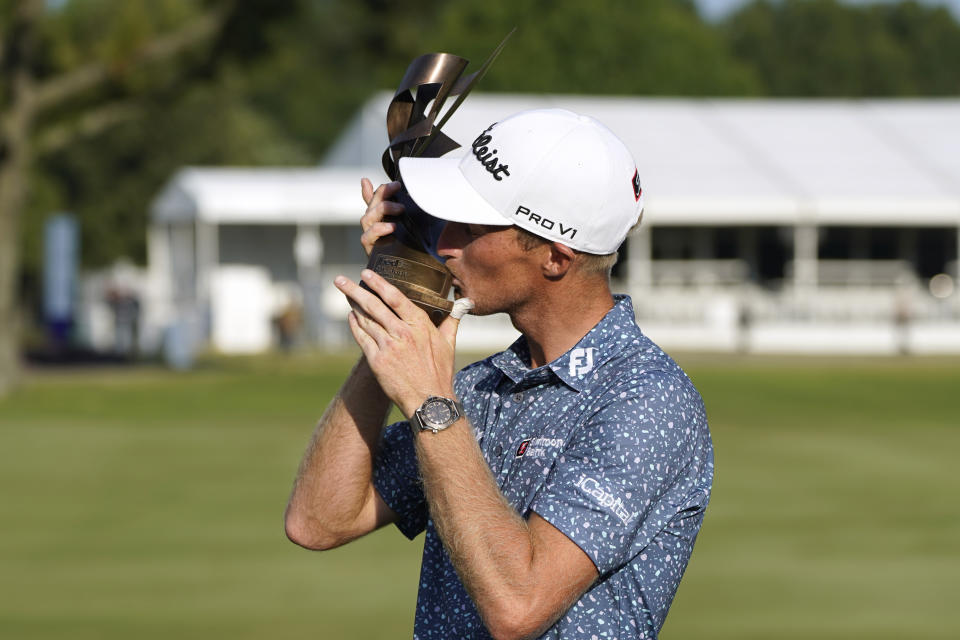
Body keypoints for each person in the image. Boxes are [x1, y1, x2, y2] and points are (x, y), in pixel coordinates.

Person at [284, 109, 714, 639]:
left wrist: (428, 400)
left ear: (556, 258)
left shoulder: (648, 399)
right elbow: (319, 520)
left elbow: (518, 605)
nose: (443, 244)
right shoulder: (479, 387)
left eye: (470, 226)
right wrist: (403, 305)